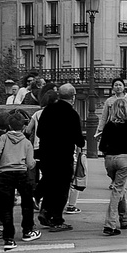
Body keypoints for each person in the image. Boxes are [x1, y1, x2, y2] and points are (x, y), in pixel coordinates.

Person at [34, 83, 85, 233]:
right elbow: (78, 138)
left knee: (50, 183)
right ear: (73, 97)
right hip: (63, 156)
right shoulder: (72, 114)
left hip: (46, 154)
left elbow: (39, 132)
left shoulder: (48, 110)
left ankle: (45, 211)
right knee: (62, 189)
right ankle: (56, 219)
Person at [0, 108, 39, 250]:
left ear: (9, 126)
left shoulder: (4, 138)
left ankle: (9, 238)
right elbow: (30, 163)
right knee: (27, 203)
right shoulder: (27, 142)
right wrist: (33, 162)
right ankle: (27, 230)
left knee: (6, 206)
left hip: (5, 173)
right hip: (21, 173)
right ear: (23, 126)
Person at [99, 96, 127, 236]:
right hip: (124, 159)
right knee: (117, 190)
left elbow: (101, 146)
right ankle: (110, 225)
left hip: (109, 160)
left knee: (119, 188)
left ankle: (124, 219)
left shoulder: (108, 126)